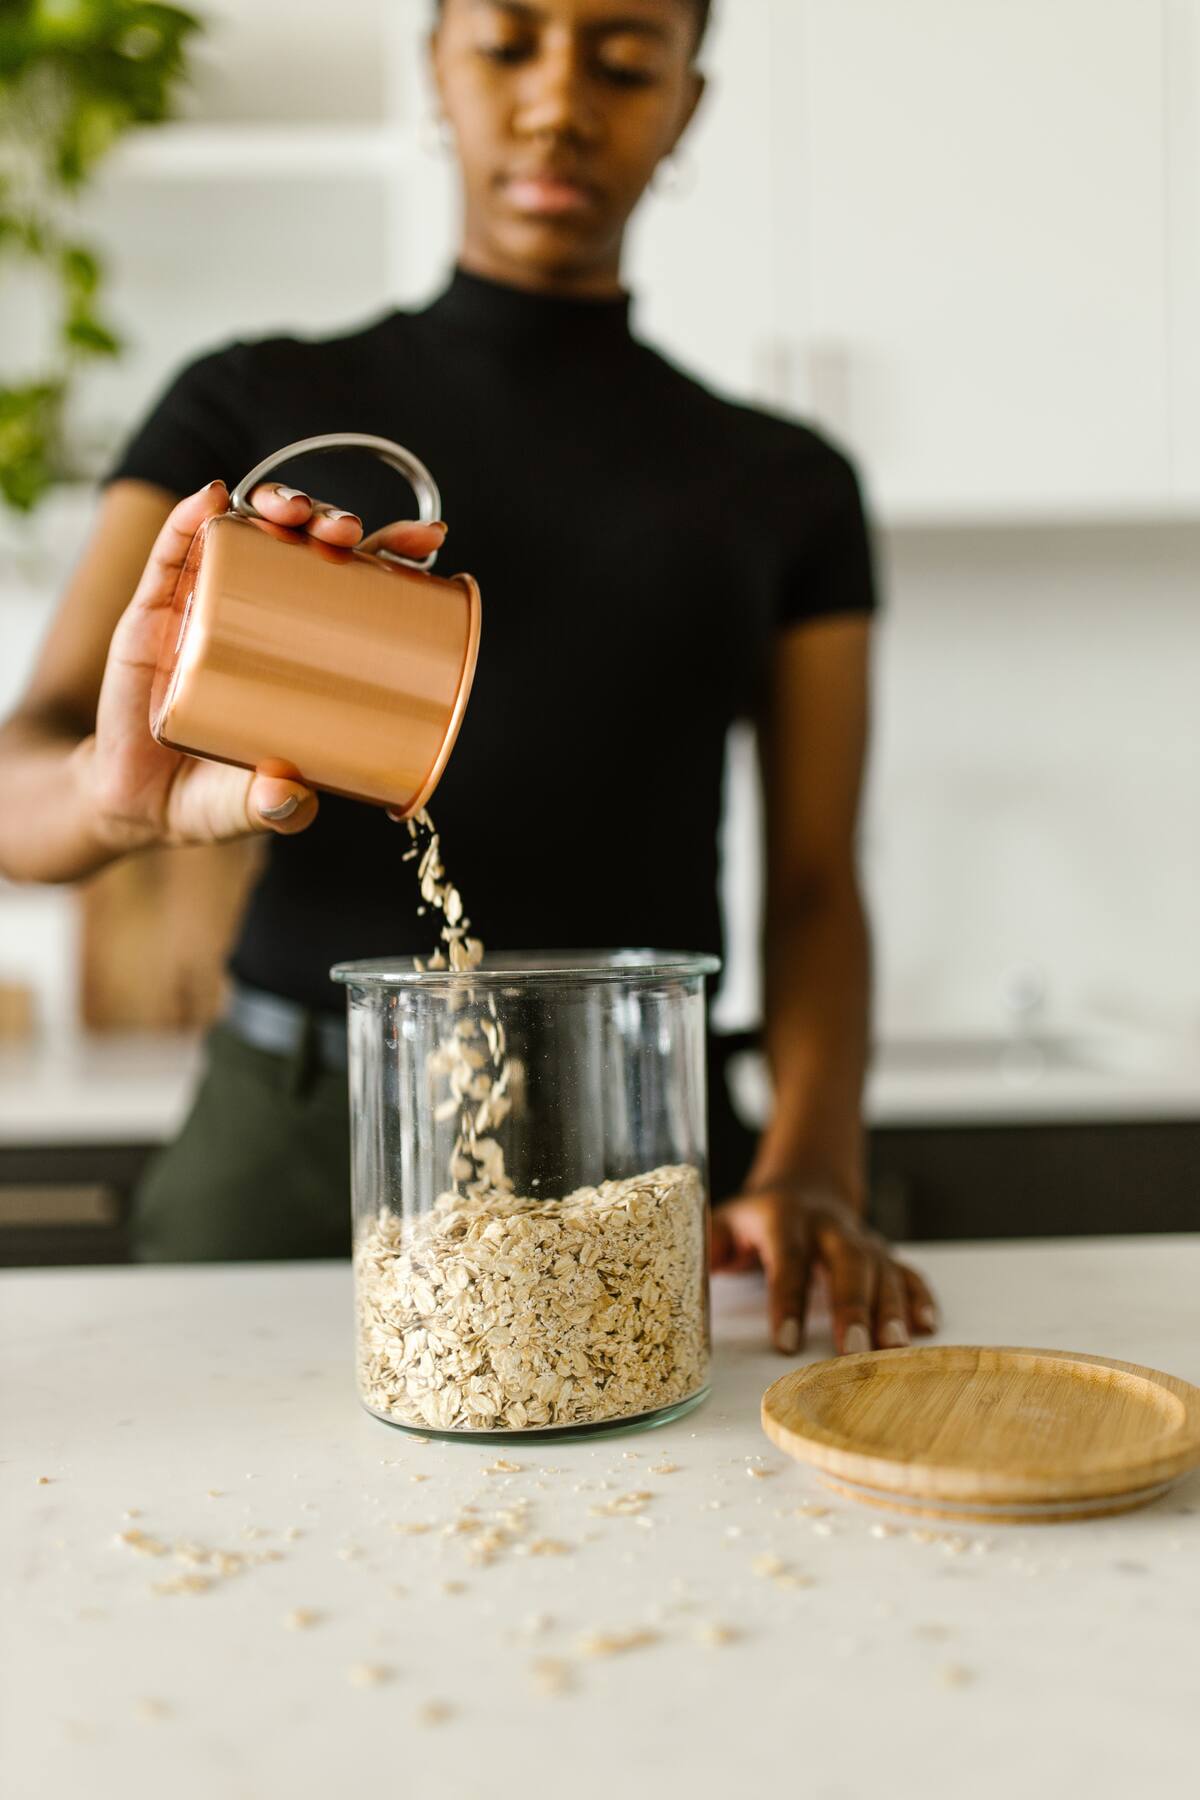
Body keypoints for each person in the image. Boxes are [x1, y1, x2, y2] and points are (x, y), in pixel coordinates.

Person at [0, 0, 935, 1356]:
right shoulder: (246, 411)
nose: (558, 105)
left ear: (687, 105)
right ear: (436, 69)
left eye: (625, 63)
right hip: (298, 1141)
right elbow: (19, 783)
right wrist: (105, 794)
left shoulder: (788, 485)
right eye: (506, 46)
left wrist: (814, 1166)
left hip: (639, 1141)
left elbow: (813, 886)